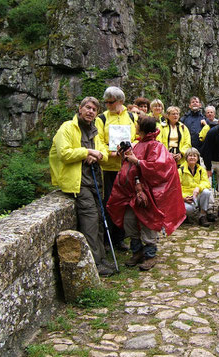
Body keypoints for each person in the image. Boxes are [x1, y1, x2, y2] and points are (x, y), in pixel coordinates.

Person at [106, 115, 186, 271]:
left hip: (146, 193)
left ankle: (150, 255)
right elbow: (130, 166)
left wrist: (138, 162)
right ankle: (137, 252)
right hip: (131, 192)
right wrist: (125, 156)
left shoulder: (156, 146)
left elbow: (159, 167)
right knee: (130, 220)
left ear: (142, 127)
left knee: (147, 222)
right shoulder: (137, 144)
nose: (135, 126)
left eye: (137, 124)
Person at [49, 97, 112, 276]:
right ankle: (94, 262)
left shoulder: (94, 130)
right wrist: (87, 152)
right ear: (80, 108)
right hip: (78, 182)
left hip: (94, 180)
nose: (91, 111)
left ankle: (102, 257)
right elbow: (64, 153)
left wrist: (97, 154)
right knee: (90, 218)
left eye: (94, 109)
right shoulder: (68, 127)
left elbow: (105, 153)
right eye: (88, 108)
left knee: (100, 216)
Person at [95, 86, 137, 252]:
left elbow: (137, 138)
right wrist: (109, 153)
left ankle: (120, 238)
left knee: (125, 203)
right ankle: (107, 240)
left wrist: (132, 147)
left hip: (127, 167)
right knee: (109, 204)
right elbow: (98, 141)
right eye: (105, 102)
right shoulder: (102, 119)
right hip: (109, 168)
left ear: (120, 101)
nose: (107, 105)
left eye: (110, 102)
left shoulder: (131, 117)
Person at [179, 148, 212, 227]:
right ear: (186, 158)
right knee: (188, 209)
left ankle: (202, 216)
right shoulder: (180, 171)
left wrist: (198, 188)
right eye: (190, 156)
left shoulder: (201, 170)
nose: (192, 158)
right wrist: (183, 197)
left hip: (197, 195)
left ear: (197, 158)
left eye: (195, 156)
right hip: (187, 197)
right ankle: (185, 216)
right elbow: (176, 187)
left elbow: (206, 183)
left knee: (206, 192)